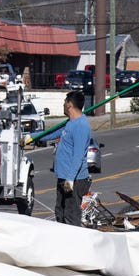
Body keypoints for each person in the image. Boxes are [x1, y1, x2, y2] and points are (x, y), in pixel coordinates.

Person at [52, 90, 91, 225]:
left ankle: (74, 237)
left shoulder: (81, 125)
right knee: (60, 213)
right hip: (64, 176)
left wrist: (70, 179)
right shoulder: (70, 123)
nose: (63, 105)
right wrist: (30, 137)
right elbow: (51, 133)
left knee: (71, 215)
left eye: (64, 102)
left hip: (75, 179)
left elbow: (78, 155)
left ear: (69, 104)